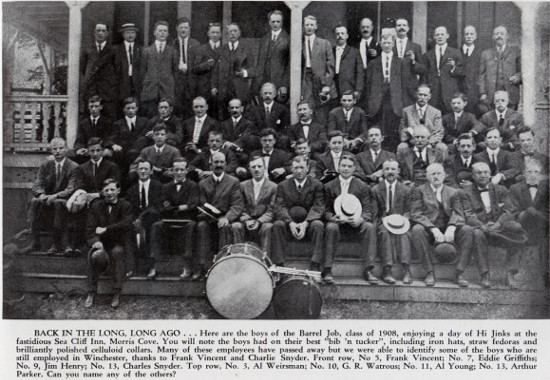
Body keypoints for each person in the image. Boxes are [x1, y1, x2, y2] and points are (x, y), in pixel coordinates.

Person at [409, 163, 474, 287]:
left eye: (439, 173)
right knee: (417, 230)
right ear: (427, 176)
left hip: (448, 228)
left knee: (468, 230)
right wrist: (432, 228)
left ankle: (459, 272)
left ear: (444, 175)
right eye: (433, 174)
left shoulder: (454, 192)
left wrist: (451, 227)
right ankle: (429, 271)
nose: (436, 176)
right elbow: (416, 213)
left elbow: (458, 212)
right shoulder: (419, 191)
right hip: (429, 230)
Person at [461, 162, 517, 288]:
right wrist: (483, 226)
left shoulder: (501, 190)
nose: (483, 175)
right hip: (481, 228)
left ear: (490, 175)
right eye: (479, 173)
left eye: (485, 172)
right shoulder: (465, 192)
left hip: (500, 228)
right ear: (473, 176)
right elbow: (468, 214)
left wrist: (498, 224)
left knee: (517, 231)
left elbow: (510, 210)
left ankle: (510, 273)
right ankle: (484, 274)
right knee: (476, 233)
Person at [324, 155, 377, 284]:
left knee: (369, 227)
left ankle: (368, 269)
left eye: (349, 166)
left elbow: (367, 210)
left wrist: (360, 219)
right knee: (330, 227)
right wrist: (333, 218)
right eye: (343, 166)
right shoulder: (329, 186)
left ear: (354, 169)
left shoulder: (362, 186)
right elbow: (325, 211)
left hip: (355, 225)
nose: (346, 169)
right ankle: (327, 269)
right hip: (338, 224)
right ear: (338, 167)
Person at [84, 179, 133, 308]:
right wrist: (96, 241)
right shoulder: (96, 206)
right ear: (102, 192)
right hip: (101, 243)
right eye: (106, 190)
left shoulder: (125, 205)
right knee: (93, 254)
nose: (109, 193)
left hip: (118, 242)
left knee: (117, 252)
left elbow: (126, 225)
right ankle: (91, 292)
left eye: (112, 189)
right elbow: (90, 228)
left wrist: (106, 229)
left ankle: (116, 292)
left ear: (118, 191)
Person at [195, 152, 244, 280]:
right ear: (210, 165)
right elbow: (202, 204)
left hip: (226, 218)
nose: (219, 165)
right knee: (201, 226)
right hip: (209, 219)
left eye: (222, 162)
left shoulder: (233, 182)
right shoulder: (203, 184)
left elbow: (237, 205)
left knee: (225, 227)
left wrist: (226, 218)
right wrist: (210, 216)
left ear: (226, 164)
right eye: (216, 162)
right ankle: (204, 267)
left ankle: (221, 267)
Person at [26, 138, 79, 254]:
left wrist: (55, 196)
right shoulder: (46, 164)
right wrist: (41, 195)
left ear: (66, 150)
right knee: (34, 201)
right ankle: (35, 241)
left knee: (58, 203)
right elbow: (37, 184)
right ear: (51, 151)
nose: (58, 151)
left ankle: (56, 243)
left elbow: (71, 189)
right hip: (47, 198)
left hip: (64, 200)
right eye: (54, 149)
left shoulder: (73, 166)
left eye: (61, 148)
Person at [148, 158, 198, 280]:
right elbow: (164, 206)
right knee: (156, 226)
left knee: (191, 226)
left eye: (182, 170)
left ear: (186, 171)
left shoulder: (193, 186)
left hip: (187, 220)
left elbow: (192, 205)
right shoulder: (166, 187)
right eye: (176, 170)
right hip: (169, 220)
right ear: (172, 171)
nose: (179, 172)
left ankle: (187, 265)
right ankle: (156, 264)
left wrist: (173, 207)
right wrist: (180, 207)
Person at [272, 156, 325, 268]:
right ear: (291, 169)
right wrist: (290, 223)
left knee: (318, 225)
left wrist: (305, 224)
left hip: (308, 224)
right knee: (277, 224)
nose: (299, 171)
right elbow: (279, 207)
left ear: (307, 168)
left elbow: (318, 207)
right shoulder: (283, 185)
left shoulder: (316, 184)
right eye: (296, 168)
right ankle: (279, 264)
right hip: (289, 224)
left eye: (302, 167)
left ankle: (315, 263)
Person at [371, 159, 413, 284]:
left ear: (398, 171)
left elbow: (408, 210)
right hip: (383, 221)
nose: (390, 172)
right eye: (387, 169)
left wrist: (404, 220)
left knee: (405, 234)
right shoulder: (375, 190)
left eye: (393, 169)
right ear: (382, 172)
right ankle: (387, 269)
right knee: (384, 232)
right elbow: (374, 213)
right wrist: (383, 220)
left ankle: (406, 269)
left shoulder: (406, 190)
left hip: (400, 222)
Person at [507, 160, 549, 282]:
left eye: (536, 172)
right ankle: (511, 273)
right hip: (522, 226)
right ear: (524, 173)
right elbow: (511, 210)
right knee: (515, 235)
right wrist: (525, 213)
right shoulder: (515, 188)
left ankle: (547, 274)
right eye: (529, 171)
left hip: (541, 226)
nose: (532, 175)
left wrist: (536, 214)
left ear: (541, 174)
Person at [365, 29, 405, 151]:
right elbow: (368, 84)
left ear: (393, 44)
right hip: (378, 99)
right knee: (379, 126)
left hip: (394, 99)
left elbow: (405, 83)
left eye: (389, 43)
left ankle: (391, 152)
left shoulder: (400, 62)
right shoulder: (373, 63)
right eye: (384, 43)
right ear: (381, 44)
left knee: (392, 127)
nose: (387, 45)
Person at [232, 155, 277, 254]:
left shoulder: (273, 187)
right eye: (253, 167)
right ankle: (238, 257)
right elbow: (239, 206)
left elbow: (271, 210)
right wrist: (247, 219)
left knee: (268, 227)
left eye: (259, 166)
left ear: (265, 168)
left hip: (263, 222)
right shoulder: (242, 186)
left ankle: (264, 260)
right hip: (246, 221)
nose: (256, 169)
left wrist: (259, 221)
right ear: (249, 169)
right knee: (236, 226)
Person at [212, 22, 256, 114]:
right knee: (224, 116)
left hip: (240, 91)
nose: (232, 33)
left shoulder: (247, 49)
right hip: (224, 91)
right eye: (230, 31)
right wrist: (214, 87)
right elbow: (215, 71)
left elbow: (254, 70)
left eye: (235, 31)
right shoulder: (220, 50)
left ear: (239, 33)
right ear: (227, 34)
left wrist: (244, 73)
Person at [125, 159, 163, 262]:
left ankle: (152, 262)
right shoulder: (131, 189)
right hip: (135, 219)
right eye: (140, 169)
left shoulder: (158, 186)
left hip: (152, 218)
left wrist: (141, 218)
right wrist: (135, 219)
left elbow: (158, 206)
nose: (143, 171)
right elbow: (128, 207)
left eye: (146, 169)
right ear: (137, 171)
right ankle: (132, 263)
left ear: (151, 171)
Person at [140, 21, 178, 118]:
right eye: (160, 30)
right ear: (154, 32)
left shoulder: (173, 51)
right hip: (151, 90)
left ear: (168, 33)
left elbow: (175, 72)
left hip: (166, 90)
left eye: (165, 31)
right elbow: (143, 72)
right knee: (151, 117)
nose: (162, 33)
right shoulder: (147, 51)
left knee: (166, 117)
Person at [479, 26, 522, 110]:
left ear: (507, 36)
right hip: (491, 96)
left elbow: (522, 72)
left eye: (502, 34)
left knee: (510, 119)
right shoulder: (486, 54)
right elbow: (481, 75)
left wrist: (518, 77)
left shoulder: (515, 52)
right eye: (496, 34)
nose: (499, 36)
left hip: (510, 94)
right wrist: (482, 93)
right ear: (493, 37)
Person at [80, 22, 117, 119]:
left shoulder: (113, 50)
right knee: (90, 118)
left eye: (103, 31)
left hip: (107, 92)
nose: (100, 33)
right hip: (92, 90)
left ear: (107, 33)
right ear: (94, 33)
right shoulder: (88, 50)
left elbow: (116, 69)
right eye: (98, 31)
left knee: (108, 118)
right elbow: (83, 68)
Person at [423, 26, 464, 113]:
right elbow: (424, 74)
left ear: (447, 36)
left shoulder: (455, 53)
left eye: (442, 34)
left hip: (449, 92)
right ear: (434, 37)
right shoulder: (428, 55)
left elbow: (461, 72)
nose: (440, 37)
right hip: (433, 92)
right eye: (437, 35)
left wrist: (453, 67)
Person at [398, 84, 446, 157]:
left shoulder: (436, 112)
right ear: (416, 95)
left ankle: (440, 168)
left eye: (425, 95)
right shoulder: (406, 111)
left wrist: (428, 143)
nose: (422, 98)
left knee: (442, 147)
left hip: (430, 143)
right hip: (412, 142)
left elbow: (438, 132)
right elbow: (402, 129)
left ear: (429, 97)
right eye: (420, 95)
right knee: (402, 146)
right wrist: (415, 141)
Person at [301, 15, 337, 108]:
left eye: (312, 25)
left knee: (321, 107)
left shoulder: (324, 43)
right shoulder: (299, 44)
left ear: (316, 26)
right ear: (303, 26)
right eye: (307, 25)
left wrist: (326, 83)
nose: (309, 27)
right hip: (305, 79)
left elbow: (330, 65)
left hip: (320, 80)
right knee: (306, 105)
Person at [111, 97, 150, 177]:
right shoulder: (118, 124)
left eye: (133, 108)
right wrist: (113, 145)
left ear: (137, 108)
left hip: (140, 154)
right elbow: (112, 138)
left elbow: (146, 137)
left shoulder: (144, 121)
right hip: (124, 155)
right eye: (128, 108)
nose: (131, 111)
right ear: (124, 109)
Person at [253, 10, 290, 95]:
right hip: (264, 82)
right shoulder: (264, 39)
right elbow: (260, 63)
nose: (275, 24)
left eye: (278, 21)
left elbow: (289, 65)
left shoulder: (288, 39)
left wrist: (284, 84)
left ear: (282, 22)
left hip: (279, 82)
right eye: (273, 21)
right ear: (269, 22)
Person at [247, 82, 290, 149]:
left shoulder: (282, 109)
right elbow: (253, 127)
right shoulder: (254, 110)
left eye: (270, 93)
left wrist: (273, 137)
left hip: (276, 139)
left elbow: (284, 128)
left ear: (275, 94)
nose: (267, 96)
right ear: (261, 94)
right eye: (265, 93)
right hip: (260, 139)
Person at [172, 17, 201, 120]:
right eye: (181, 27)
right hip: (176, 82)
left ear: (189, 29)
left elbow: (198, 64)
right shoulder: (172, 44)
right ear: (177, 28)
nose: (183, 30)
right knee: (177, 110)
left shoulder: (196, 44)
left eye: (185, 27)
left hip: (191, 83)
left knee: (190, 111)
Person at [393, 18, 426, 107]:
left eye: (404, 25)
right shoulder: (390, 45)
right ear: (395, 28)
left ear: (408, 28)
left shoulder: (415, 47)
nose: (401, 27)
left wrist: (413, 61)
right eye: (399, 25)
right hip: (393, 87)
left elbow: (422, 69)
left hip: (409, 89)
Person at [74, 95, 115, 163]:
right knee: (79, 156)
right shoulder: (83, 123)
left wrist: (101, 149)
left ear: (101, 107)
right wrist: (79, 149)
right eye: (91, 106)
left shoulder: (107, 122)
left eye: (96, 106)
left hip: (101, 150)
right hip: (88, 151)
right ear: (88, 107)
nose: (93, 109)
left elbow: (107, 139)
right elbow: (80, 139)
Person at [193, 23, 222, 118]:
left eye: (217, 32)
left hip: (220, 88)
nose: (215, 35)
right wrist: (206, 65)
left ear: (221, 34)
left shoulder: (225, 49)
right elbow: (195, 68)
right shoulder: (201, 49)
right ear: (208, 34)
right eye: (213, 32)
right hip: (204, 90)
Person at [114, 23, 142, 111]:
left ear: (136, 34)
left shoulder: (141, 49)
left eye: (132, 32)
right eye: (128, 33)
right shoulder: (116, 50)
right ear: (123, 34)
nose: (130, 35)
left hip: (137, 84)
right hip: (122, 83)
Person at [332, 25, 363, 99]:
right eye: (337, 34)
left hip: (348, 87)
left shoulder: (354, 51)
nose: (340, 36)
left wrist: (358, 89)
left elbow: (360, 72)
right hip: (333, 87)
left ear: (347, 36)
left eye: (342, 33)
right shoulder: (330, 51)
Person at [459, 25, 482, 116]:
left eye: (471, 34)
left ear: (475, 36)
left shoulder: (480, 53)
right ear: (463, 36)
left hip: (474, 91)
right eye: (466, 34)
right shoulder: (457, 52)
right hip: (460, 89)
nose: (469, 36)